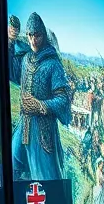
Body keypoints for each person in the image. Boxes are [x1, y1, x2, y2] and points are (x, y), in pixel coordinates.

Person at [10, 11, 72, 182]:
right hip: (24, 126)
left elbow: (64, 100)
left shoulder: (53, 64)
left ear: (43, 35)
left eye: (36, 35)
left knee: (46, 180)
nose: (32, 40)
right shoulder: (26, 59)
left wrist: (41, 106)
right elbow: (11, 71)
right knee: (13, 167)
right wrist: (10, 41)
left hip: (43, 131)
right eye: (30, 35)